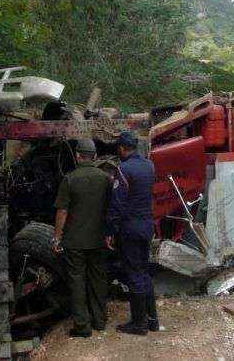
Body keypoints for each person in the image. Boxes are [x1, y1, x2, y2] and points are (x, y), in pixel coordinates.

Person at [52, 138, 113, 338]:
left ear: (78, 156)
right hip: (99, 239)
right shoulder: (105, 179)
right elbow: (111, 209)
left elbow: (62, 212)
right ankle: (100, 321)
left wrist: (57, 237)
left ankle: (82, 326)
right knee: (98, 279)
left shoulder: (69, 179)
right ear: (94, 156)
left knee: (77, 282)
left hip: (75, 241)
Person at [106, 131, 159, 336]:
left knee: (134, 273)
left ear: (121, 149)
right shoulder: (149, 165)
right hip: (147, 225)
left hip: (130, 228)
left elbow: (117, 204)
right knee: (143, 271)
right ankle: (152, 320)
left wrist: (110, 230)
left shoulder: (123, 169)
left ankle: (139, 324)